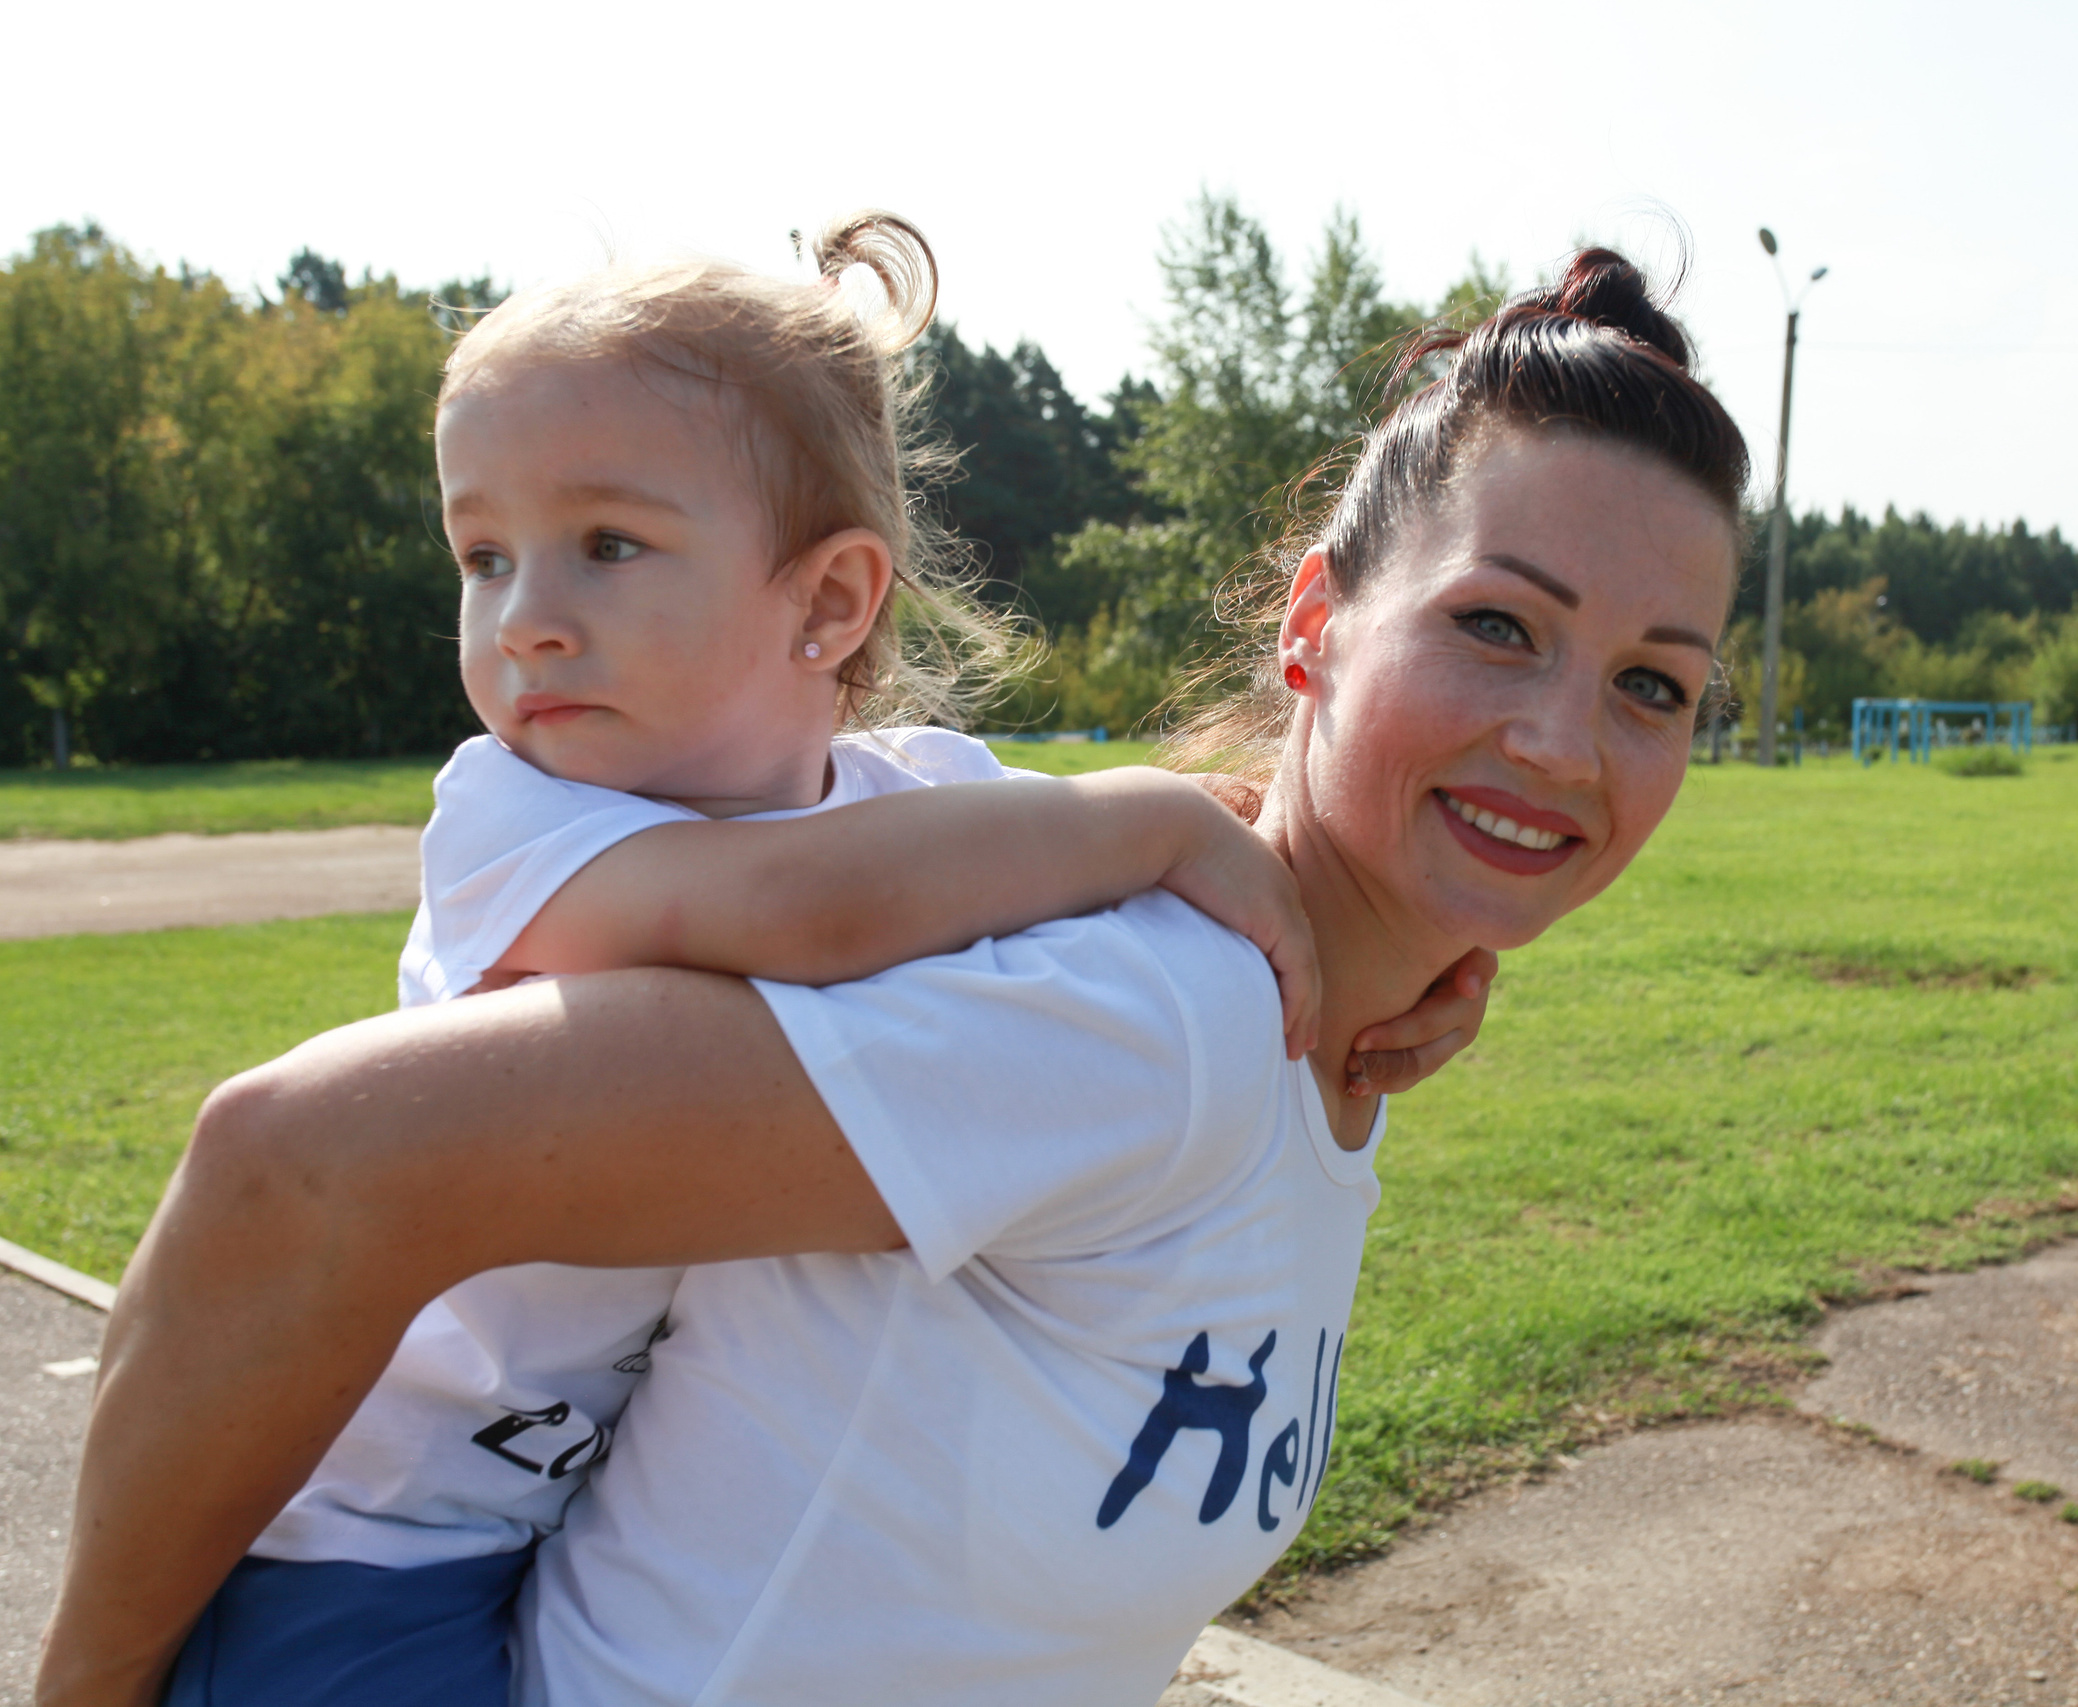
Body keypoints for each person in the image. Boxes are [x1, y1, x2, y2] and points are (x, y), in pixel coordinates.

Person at [41, 245, 1747, 1707]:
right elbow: (303, 1165)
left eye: (1654, 687)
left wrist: (1409, 951)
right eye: (1496, 626)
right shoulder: (1148, 1025)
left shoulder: (1214, 997)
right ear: (1315, 625)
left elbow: (932, 870)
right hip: (369, 1575)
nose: (1561, 742)